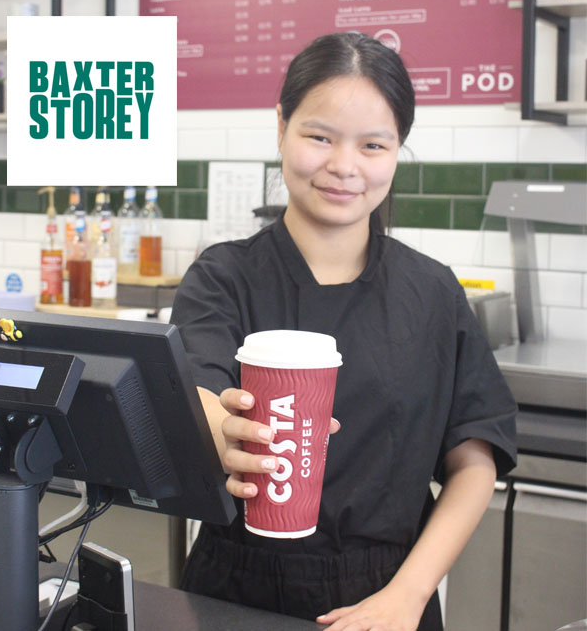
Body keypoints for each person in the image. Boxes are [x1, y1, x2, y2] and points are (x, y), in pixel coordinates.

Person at [170, 32, 516, 631]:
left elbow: (475, 458)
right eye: (319, 136)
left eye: (374, 144)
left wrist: (408, 595)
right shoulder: (222, 276)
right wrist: (230, 433)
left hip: (386, 596)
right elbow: (200, 390)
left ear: (397, 150)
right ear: (280, 127)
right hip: (234, 588)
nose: (344, 166)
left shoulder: (432, 293)